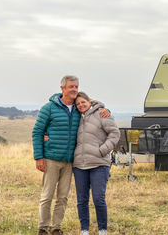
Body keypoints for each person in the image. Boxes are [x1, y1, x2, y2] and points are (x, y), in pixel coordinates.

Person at [32, 75, 110, 235]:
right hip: (51, 158)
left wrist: (104, 109)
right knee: (47, 195)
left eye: (76, 86)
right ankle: (43, 228)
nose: (74, 89)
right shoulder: (49, 108)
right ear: (62, 89)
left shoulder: (78, 108)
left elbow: (92, 105)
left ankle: (56, 228)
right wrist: (38, 157)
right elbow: (37, 131)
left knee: (63, 196)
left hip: (69, 161)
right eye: (71, 87)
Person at [71, 91, 120, 235]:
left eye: (83, 102)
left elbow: (115, 133)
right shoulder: (75, 118)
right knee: (82, 200)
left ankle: (102, 230)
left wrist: (103, 150)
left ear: (89, 101)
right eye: (78, 104)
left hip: (99, 163)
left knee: (98, 198)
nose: (80, 105)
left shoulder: (101, 114)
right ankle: (84, 230)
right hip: (80, 165)